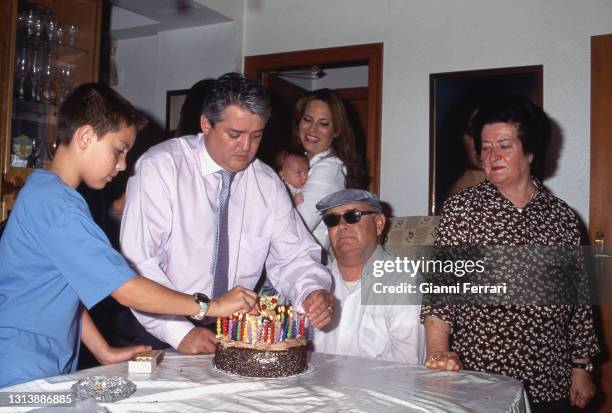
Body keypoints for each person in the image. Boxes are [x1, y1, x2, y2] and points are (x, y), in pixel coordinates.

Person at [0, 83, 257, 388]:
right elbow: (125, 289)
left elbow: (66, 286)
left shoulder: (48, 194)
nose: (122, 166)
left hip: (40, 367)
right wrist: (211, 306)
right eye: (118, 150)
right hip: (19, 377)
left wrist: (103, 351)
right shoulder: (56, 206)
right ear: (85, 137)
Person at [120, 72, 334, 355]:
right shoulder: (162, 168)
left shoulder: (267, 184)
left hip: (233, 329)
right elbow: (139, 263)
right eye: (234, 134)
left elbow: (293, 255)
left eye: (256, 135)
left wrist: (311, 291)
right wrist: (180, 332)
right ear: (205, 124)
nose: (246, 147)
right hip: (158, 327)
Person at [421, 96, 599, 412]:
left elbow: (580, 303)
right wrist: (438, 351)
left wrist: (581, 368)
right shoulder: (463, 210)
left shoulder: (563, 219)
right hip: (480, 379)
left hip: (549, 380)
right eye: (486, 147)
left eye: (504, 145)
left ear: (530, 151)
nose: (493, 156)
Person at [312, 189, 425, 364]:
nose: (342, 225)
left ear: (379, 224)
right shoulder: (314, 282)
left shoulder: (403, 280)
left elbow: (408, 366)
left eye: (353, 216)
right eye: (332, 220)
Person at [293, 88, 367, 251]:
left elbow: (296, 229)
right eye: (307, 119)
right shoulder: (300, 162)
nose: (312, 129)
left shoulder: (330, 168)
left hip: (301, 267)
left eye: (324, 123)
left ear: (337, 131)